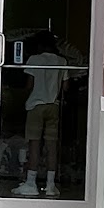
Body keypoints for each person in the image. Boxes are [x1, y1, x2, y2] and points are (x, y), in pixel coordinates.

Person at [15, 33, 66, 196]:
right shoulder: (62, 61)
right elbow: (65, 87)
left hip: (36, 105)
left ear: (39, 45)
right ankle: (51, 185)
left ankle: (31, 183)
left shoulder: (34, 59)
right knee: (51, 145)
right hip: (53, 106)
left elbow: (30, 84)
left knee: (34, 144)